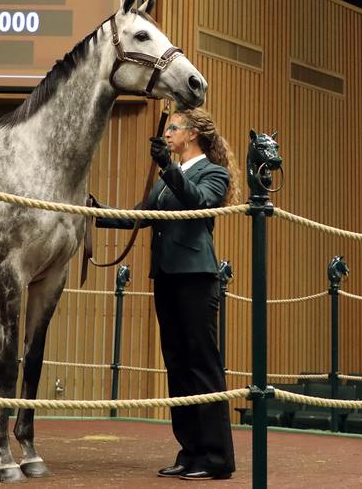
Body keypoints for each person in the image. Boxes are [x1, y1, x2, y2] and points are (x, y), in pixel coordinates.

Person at [96, 108, 239, 480]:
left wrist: (166, 166)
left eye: (173, 128)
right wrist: (95, 212)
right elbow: (142, 215)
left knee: (202, 365)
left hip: (196, 277)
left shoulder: (213, 173)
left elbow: (198, 203)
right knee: (176, 365)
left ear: (191, 135)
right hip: (167, 276)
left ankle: (217, 457)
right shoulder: (165, 180)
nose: (168, 133)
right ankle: (191, 451)